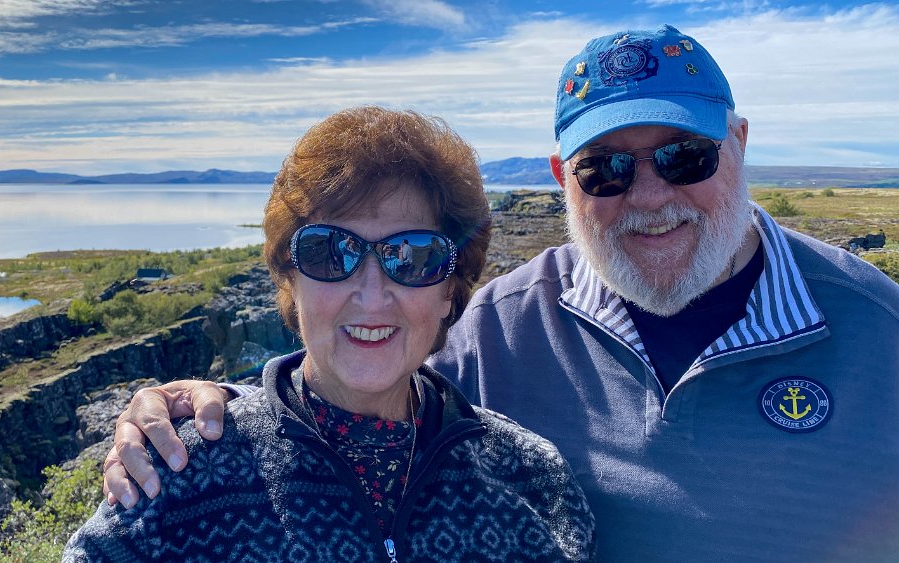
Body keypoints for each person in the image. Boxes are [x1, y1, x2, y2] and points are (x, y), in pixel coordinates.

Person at [102, 26, 899, 561]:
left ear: (740, 143)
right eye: (605, 170)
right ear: (562, 180)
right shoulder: (503, 325)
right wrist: (203, 406)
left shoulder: (880, 329)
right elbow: (362, 364)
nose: (651, 196)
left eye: (684, 156)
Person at [65, 106, 596, 561]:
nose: (372, 295)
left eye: (413, 257)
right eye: (330, 252)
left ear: (449, 291)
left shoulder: (531, 478)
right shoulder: (184, 474)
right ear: (289, 279)